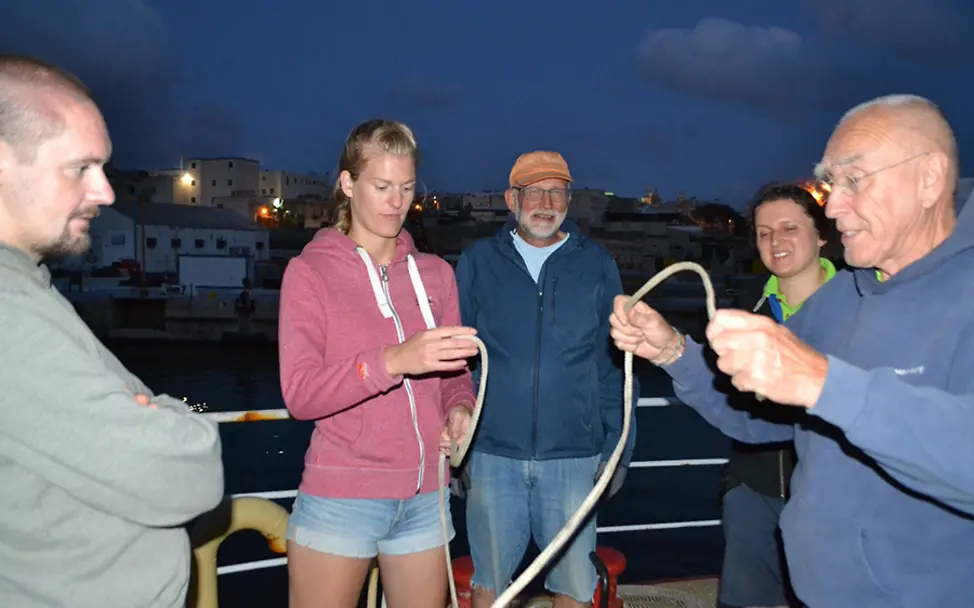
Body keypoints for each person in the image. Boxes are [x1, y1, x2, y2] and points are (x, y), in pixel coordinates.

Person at [610, 94, 974, 607]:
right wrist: (672, 350)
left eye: (854, 180)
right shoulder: (840, 299)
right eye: (831, 185)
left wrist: (822, 381)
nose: (834, 205)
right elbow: (755, 420)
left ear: (930, 178)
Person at [0, 55, 225, 607]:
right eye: (81, 168)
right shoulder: (9, 312)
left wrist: (150, 412)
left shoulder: (29, 289)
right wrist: (171, 417)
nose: (104, 192)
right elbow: (190, 476)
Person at [278, 118, 478, 608]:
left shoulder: (436, 275)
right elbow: (300, 393)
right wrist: (394, 360)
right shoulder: (309, 273)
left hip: (426, 497)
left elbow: (454, 377)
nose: (396, 202)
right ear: (347, 184)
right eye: (382, 186)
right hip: (341, 494)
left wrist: (460, 408)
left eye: (406, 187)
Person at [455, 150, 637, 608]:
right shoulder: (477, 262)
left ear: (569, 200)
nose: (545, 201)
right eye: (533, 191)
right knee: (489, 585)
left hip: (574, 459)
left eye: (556, 190)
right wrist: (456, 452)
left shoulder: (597, 263)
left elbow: (615, 364)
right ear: (510, 199)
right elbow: (455, 362)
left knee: (574, 585)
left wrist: (621, 447)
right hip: (491, 453)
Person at [717, 183, 836, 608]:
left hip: (834, 499)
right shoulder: (747, 311)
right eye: (764, 233)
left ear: (821, 234)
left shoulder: (863, 303)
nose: (775, 241)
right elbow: (723, 400)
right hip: (755, 491)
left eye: (789, 228)